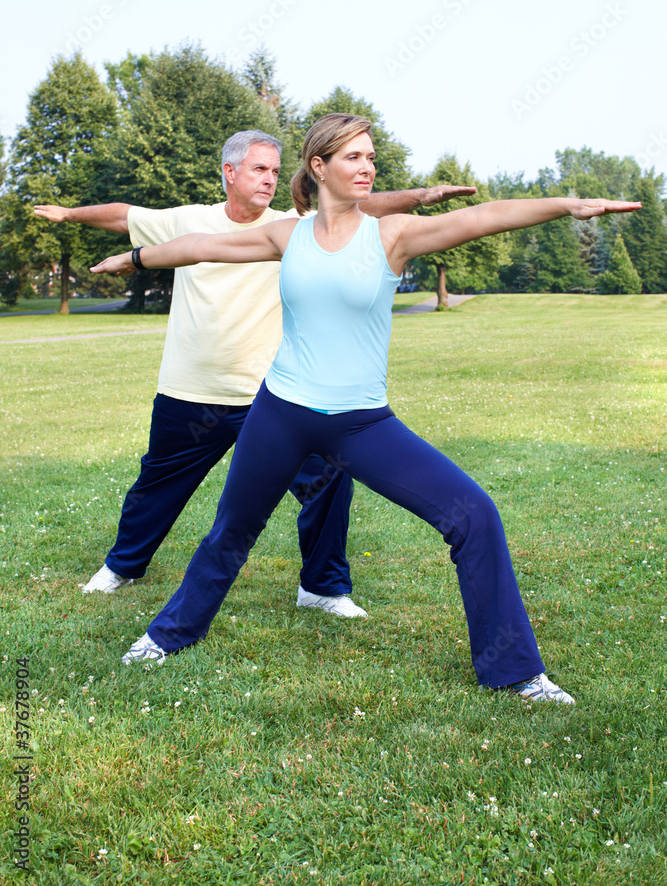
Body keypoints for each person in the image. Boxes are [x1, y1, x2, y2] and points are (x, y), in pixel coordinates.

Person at [91, 112, 641, 700]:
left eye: (371, 157)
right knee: (231, 531)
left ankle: (516, 671)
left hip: (360, 422)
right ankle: (170, 634)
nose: (368, 166)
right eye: (353, 157)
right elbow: (204, 246)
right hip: (280, 413)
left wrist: (565, 205)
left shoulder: (393, 233)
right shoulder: (288, 234)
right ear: (319, 167)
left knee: (474, 514)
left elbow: (483, 217)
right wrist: (137, 259)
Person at [35, 129, 474, 617]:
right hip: (191, 390)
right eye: (259, 169)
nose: (270, 179)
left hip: (274, 402)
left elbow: (360, 204)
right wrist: (69, 215)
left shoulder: (294, 224)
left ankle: (323, 587)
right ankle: (123, 565)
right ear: (230, 172)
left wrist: (421, 197)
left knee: (328, 484)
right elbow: (123, 216)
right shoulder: (187, 220)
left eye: (274, 169)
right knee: (157, 484)